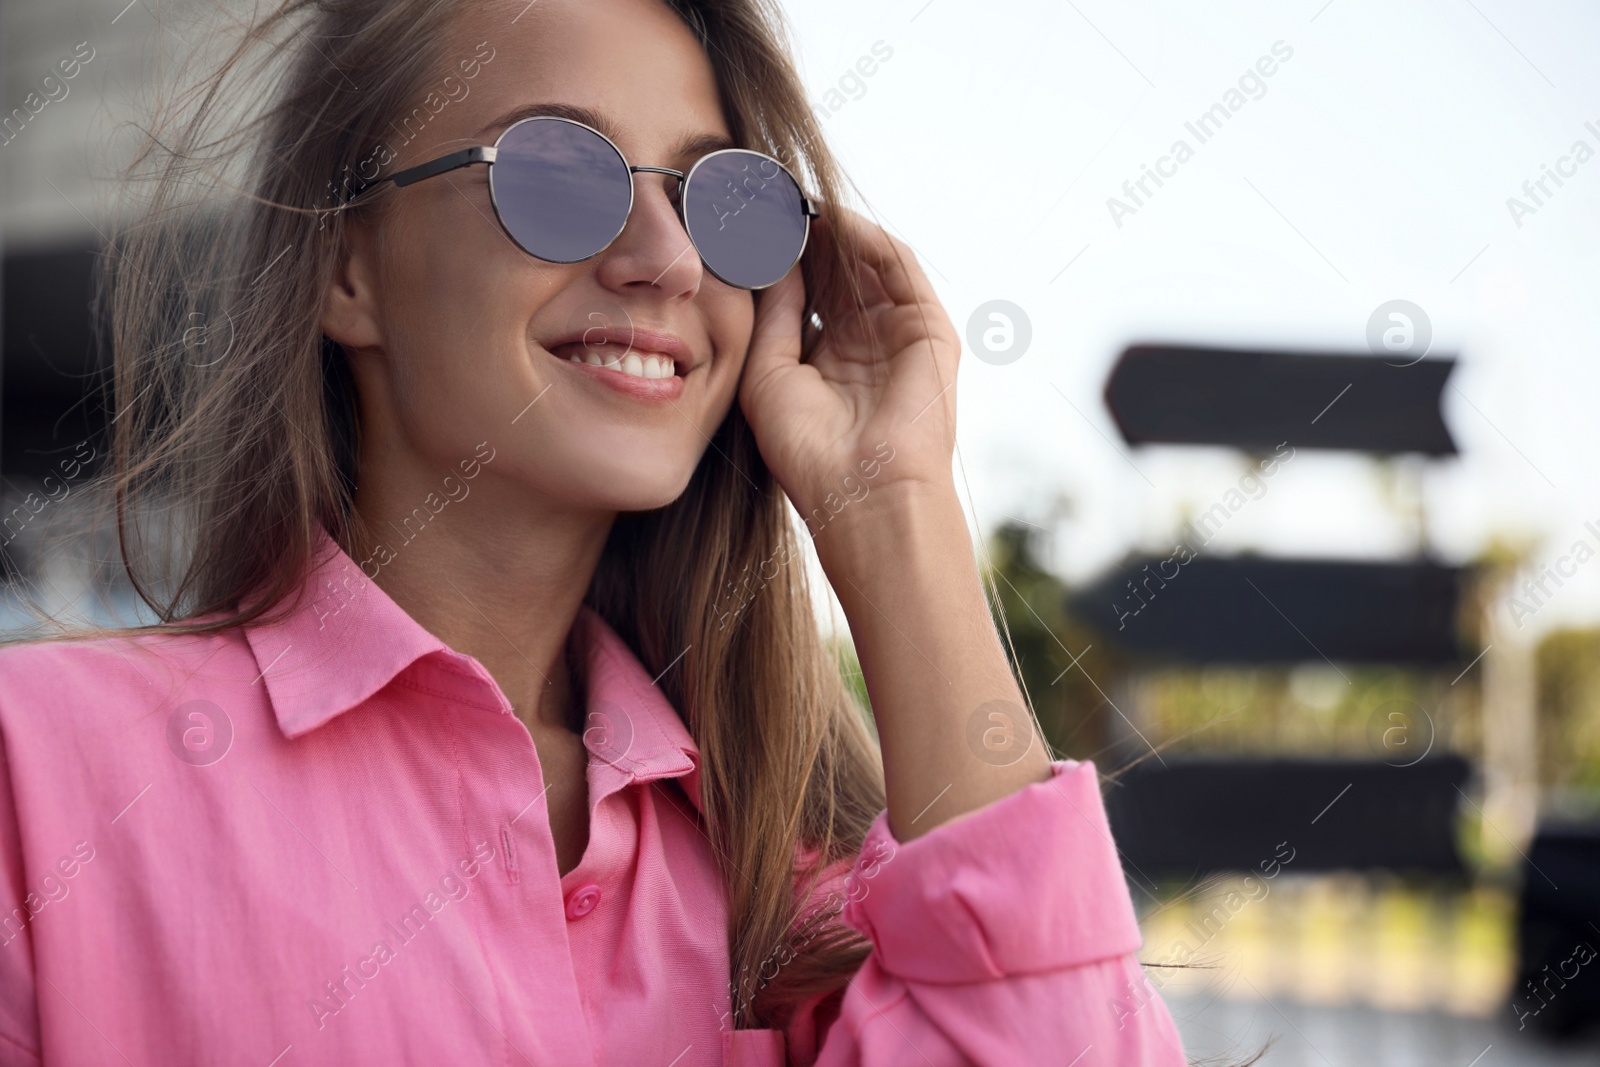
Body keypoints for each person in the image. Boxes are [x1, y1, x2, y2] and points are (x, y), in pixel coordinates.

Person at [0, 0, 1189, 1063]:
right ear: (346, 266)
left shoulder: (799, 891)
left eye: (722, 198)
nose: (668, 260)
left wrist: (893, 505)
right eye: (561, 172)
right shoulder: (36, 778)